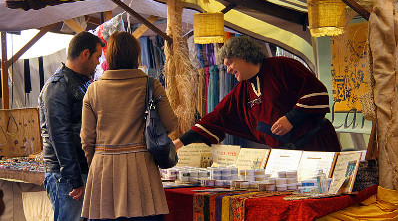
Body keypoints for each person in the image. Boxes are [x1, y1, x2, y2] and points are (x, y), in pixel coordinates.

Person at [173, 36, 341, 152]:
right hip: (285, 156)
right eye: (225, 66)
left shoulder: (282, 66)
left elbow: (316, 91)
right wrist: (180, 142)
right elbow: (216, 117)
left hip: (317, 146)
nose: (228, 70)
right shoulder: (242, 90)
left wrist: (291, 118)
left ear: (243, 56)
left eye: (230, 63)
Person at [80, 31, 178, 221]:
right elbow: (171, 123)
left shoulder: (93, 90)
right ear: (136, 55)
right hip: (142, 169)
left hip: (103, 170)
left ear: (110, 56)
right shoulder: (151, 85)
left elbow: (86, 139)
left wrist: (97, 163)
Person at [39, 31, 104, 221]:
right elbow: (60, 135)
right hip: (66, 176)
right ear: (85, 54)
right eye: (97, 57)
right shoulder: (57, 86)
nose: (98, 63)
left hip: (81, 171)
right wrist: (73, 178)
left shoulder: (83, 83)